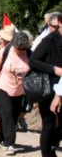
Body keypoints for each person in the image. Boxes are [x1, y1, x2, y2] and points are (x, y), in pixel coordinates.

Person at [0, 32, 31, 156]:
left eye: (23, 49)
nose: (21, 51)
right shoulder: (5, 51)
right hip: (2, 87)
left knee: (12, 117)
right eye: (18, 48)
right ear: (13, 45)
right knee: (8, 112)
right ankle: (10, 144)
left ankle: (0, 138)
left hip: (19, 91)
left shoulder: (29, 53)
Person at [30, 13, 62, 157]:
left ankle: (53, 144)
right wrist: (54, 69)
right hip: (49, 86)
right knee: (48, 123)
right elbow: (33, 61)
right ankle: (47, 154)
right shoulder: (48, 41)